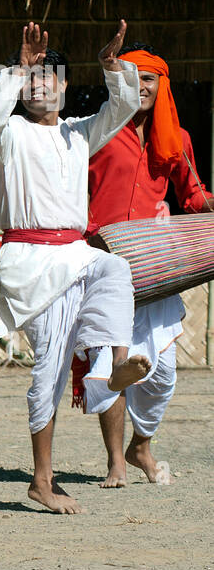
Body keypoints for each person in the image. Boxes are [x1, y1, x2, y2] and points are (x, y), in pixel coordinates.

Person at [0, 20, 151, 515]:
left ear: (66, 85)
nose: (38, 85)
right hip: (30, 261)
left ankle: (113, 363)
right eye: (30, 80)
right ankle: (41, 479)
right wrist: (18, 67)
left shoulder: (80, 134)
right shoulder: (7, 133)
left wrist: (113, 67)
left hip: (76, 252)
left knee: (114, 270)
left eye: (48, 77)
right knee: (49, 371)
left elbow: (123, 105)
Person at [81, 43, 213, 486]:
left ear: (162, 86)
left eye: (149, 78)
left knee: (162, 374)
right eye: (131, 76)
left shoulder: (178, 139)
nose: (141, 85)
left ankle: (142, 444)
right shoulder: (95, 131)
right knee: (108, 363)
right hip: (102, 262)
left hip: (157, 268)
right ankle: (116, 460)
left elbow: (193, 197)